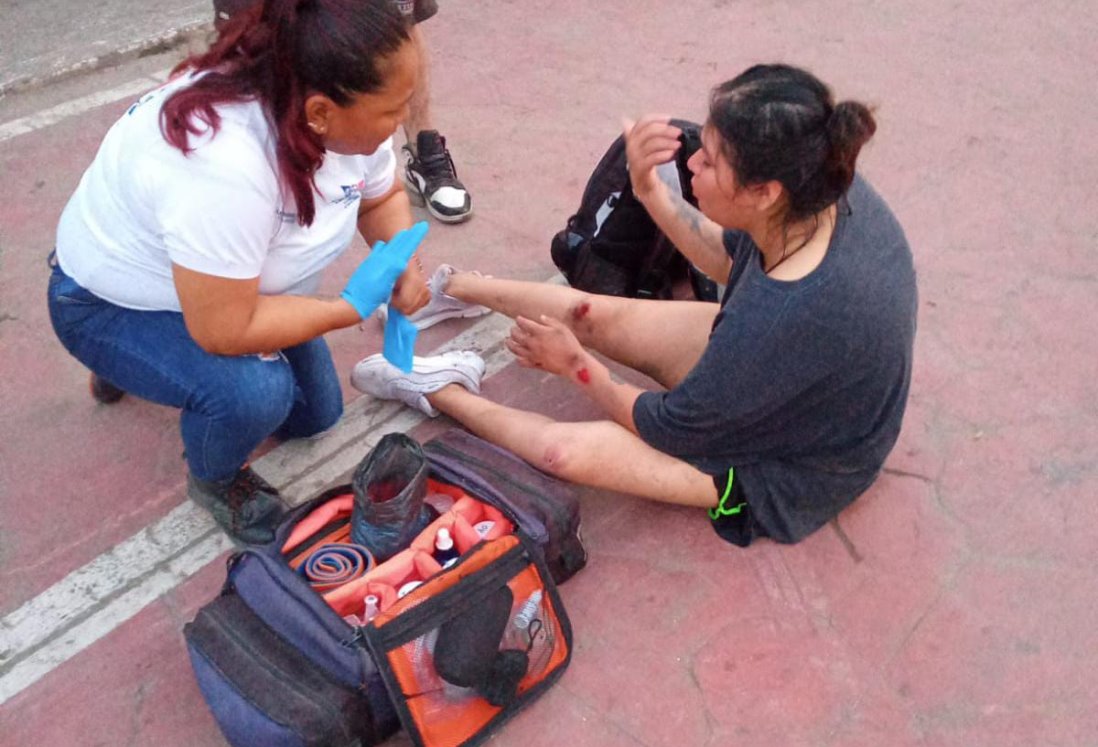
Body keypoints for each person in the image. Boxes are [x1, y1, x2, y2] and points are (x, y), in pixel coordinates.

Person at [352, 64, 918, 546]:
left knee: (562, 453)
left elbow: (660, 427)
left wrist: (574, 364)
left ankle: (434, 389)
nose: (693, 164)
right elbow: (727, 260)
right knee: (592, 313)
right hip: (801, 379)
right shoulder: (818, 185)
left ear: (765, 192)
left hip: (794, 465)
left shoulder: (775, 322)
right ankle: (456, 288)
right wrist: (649, 192)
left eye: (712, 161)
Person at [46, 0, 464, 544]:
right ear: (319, 114)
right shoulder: (222, 165)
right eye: (392, 111)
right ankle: (214, 475)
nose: (402, 122)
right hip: (109, 304)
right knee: (255, 396)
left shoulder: (335, 100)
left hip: (225, 293)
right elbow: (225, 328)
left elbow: (379, 193)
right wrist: (348, 307)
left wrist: (402, 261)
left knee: (314, 415)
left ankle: (156, 366)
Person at [214, 0, 473, 223]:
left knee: (388, 29)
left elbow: (381, 201)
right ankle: (282, 173)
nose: (401, 116)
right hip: (236, 180)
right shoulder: (227, 177)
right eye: (392, 111)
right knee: (254, 30)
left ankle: (423, 150)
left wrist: (406, 268)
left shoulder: (368, 138)